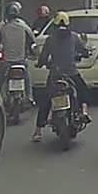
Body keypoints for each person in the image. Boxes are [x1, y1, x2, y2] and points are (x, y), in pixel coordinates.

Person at [32, 12, 90, 142]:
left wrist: (40, 63)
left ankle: (38, 131)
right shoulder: (74, 37)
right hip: (71, 73)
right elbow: (84, 51)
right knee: (83, 91)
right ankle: (84, 111)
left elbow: (43, 57)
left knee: (46, 101)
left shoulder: (50, 39)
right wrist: (84, 52)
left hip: (55, 74)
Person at [0, 1, 35, 91]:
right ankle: (29, 96)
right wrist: (31, 52)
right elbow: (32, 40)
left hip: (7, 62)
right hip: (21, 61)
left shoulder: (3, 27)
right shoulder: (24, 25)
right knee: (27, 80)